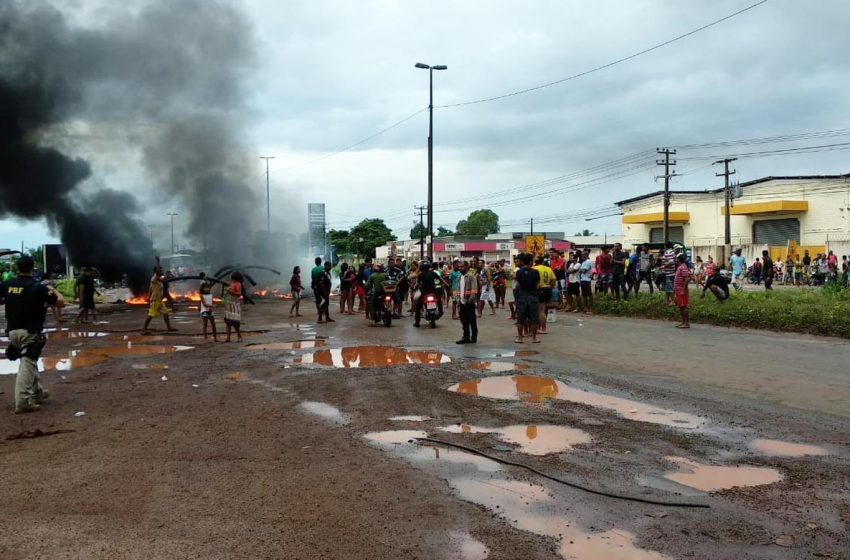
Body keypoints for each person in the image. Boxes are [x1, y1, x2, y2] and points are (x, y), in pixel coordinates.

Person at [1, 256, 62, 413]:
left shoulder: (8, 284)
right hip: (30, 331)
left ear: (17, 269)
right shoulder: (37, 287)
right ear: (33, 267)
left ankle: (36, 393)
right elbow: (60, 302)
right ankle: (23, 401)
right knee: (27, 365)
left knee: (30, 361)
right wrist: (51, 288)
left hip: (13, 331)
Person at [514, 253, 541, 343]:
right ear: (530, 262)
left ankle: (520, 338)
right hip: (533, 296)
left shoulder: (519, 272)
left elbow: (517, 285)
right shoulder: (535, 272)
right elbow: (537, 286)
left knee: (521, 318)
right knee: (534, 317)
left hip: (522, 296)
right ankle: (534, 338)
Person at [143, 266, 177, 333]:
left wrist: (170, 277)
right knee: (151, 315)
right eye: (160, 270)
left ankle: (169, 328)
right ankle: (144, 329)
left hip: (159, 301)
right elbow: (158, 274)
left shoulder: (159, 280)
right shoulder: (154, 278)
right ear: (157, 272)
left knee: (166, 313)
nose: (162, 271)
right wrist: (158, 262)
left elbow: (150, 289)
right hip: (155, 300)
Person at [456, 260, 479, 344]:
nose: (460, 268)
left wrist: (470, 300)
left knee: (472, 320)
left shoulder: (471, 276)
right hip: (461, 302)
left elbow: (474, 289)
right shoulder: (459, 277)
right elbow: (458, 289)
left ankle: (474, 337)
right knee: (464, 321)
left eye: (461, 267)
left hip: (469, 302)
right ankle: (466, 337)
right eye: (459, 267)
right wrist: (458, 299)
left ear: (466, 267)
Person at [413, 261, 442, 327]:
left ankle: (417, 322)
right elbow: (440, 279)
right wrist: (443, 284)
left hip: (424, 293)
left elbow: (417, 283)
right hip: (433, 292)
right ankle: (440, 312)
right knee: (439, 301)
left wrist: (415, 287)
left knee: (418, 306)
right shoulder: (433, 273)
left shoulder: (421, 274)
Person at [533, 256, 555, 333]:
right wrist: (550, 287)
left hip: (539, 289)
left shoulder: (534, 268)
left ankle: (543, 328)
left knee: (540, 311)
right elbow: (553, 279)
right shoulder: (548, 269)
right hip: (547, 288)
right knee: (543, 309)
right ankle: (541, 327)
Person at [223, 270, 244, 342]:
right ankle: (228, 338)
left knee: (235, 323)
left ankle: (239, 337)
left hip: (234, 305)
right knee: (228, 322)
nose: (230, 277)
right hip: (229, 304)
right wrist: (224, 300)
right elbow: (228, 293)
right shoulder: (232, 283)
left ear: (234, 277)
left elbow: (239, 294)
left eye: (231, 275)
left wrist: (230, 292)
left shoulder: (238, 284)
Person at [673, 254, 690, 329]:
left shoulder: (683, 267)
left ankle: (686, 323)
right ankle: (683, 322)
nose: (675, 260)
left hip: (681, 289)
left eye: (676, 259)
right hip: (678, 289)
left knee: (684, 306)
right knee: (680, 306)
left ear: (679, 260)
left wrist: (683, 289)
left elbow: (686, 278)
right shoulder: (680, 267)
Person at [199, 275, 218, 341]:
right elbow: (204, 304)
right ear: (202, 289)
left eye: (208, 288)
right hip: (204, 311)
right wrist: (211, 306)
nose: (207, 289)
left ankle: (215, 337)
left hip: (210, 310)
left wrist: (211, 307)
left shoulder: (210, 295)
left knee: (213, 324)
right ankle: (205, 337)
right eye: (205, 288)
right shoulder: (201, 295)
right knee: (205, 325)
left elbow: (211, 302)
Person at [310, 257, 324, 321]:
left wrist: (313, 286)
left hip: (316, 286)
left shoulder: (313, 269)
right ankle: (323, 311)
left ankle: (318, 311)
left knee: (317, 300)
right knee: (323, 299)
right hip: (323, 287)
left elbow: (312, 279)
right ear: (321, 262)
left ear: (315, 262)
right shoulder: (323, 268)